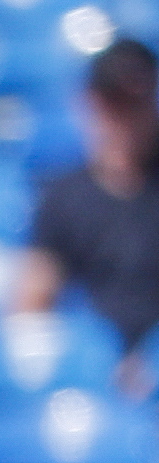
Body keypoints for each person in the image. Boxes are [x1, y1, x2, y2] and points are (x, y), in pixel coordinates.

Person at [23, 35, 159, 370]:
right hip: (95, 372)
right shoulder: (64, 198)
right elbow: (31, 306)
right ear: (90, 104)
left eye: (135, 105)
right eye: (113, 104)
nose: (123, 121)